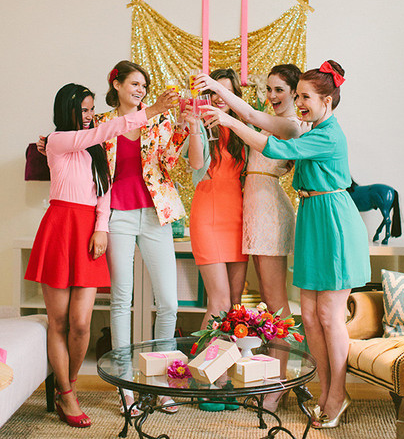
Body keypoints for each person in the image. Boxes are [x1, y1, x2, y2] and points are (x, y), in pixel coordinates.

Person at [202, 60, 371, 428]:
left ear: (327, 100)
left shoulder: (327, 135)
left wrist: (230, 121)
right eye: (299, 96)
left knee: (329, 315)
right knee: (308, 316)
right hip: (312, 218)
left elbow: (276, 149)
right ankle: (324, 392)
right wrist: (220, 96)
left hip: (333, 221)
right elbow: (253, 116)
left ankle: (337, 395)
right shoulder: (312, 127)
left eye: (305, 97)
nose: (300, 102)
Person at [26, 83, 174, 428]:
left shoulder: (95, 149)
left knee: (81, 324)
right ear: (67, 110)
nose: (90, 116)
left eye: (92, 109)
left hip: (89, 230)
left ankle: (69, 383)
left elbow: (104, 192)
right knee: (59, 322)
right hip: (60, 227)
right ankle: (67, 393)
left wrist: (101, 227)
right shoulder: (59, 140)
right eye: (84, 110)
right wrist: (151, 111)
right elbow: (106, 130)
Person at [96, 60, 189, 415]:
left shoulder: (159, 119)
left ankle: (161, 383)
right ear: (116, 84)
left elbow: (170, 163)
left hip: (154, 213)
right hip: (117, 215)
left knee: (168, 303)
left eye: (144, 86)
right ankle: (126, 388)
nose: (141, 90)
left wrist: (182, 127)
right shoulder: (103, 123)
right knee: (121, 301)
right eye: (135, 83)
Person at [194, 65, 306, 317]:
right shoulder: (270, 123)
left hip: (268, 209)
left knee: (274, 299)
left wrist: (217, 92)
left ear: (294, 93)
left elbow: (250, 116)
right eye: (269, 89)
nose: (272, 95)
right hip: (253, 210)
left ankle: (286, 346)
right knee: (266, 297)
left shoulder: (292, 126)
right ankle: (271, 346)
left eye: (280, 90)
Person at [182, 68, 248, 412]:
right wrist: (195, 127)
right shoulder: (202, 127)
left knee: (235, 304)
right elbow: (195, 163)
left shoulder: (241, 130)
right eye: (214, 92)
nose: (220, 99)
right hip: (207, 216)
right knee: (219, 301)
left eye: (226, 93)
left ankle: (224, 378)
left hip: (238, 219)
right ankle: (203, 379)